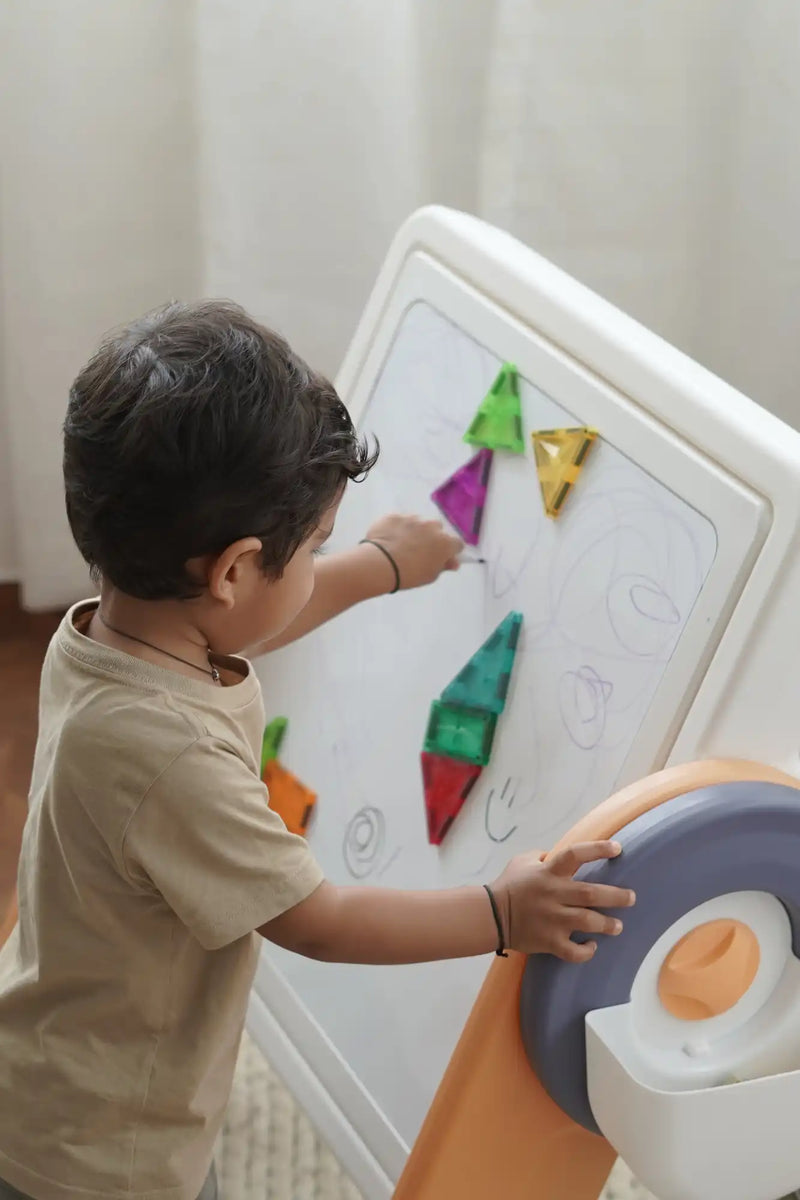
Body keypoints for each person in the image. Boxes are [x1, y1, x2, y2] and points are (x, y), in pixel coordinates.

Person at [0, 301, 635, 1200]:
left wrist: (374, 565)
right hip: (105, 1149)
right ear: (230, 570)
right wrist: (500, 913)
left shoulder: (112, 634)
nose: (319, 564)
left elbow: (239, 631)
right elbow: (317, 920)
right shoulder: (167, 757)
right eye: (316, 547)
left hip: (60, 1059)